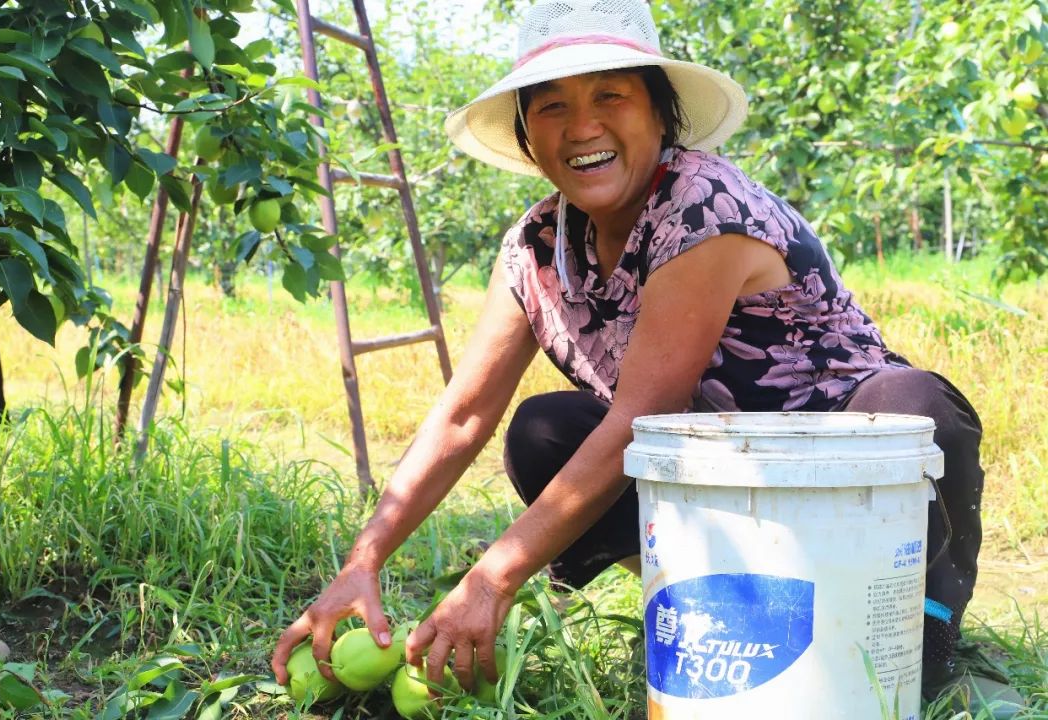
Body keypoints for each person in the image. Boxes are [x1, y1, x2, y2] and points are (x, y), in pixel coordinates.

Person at [274, 0, 1022, 714]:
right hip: (717, 488)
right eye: (553, 105)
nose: (583, 126)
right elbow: (464, 414)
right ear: (529, 135)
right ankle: (706, 605)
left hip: (845, 484)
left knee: (911, 412)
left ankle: (931, 639)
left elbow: (641, 417)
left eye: (612, 96)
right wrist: (361, 561)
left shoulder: (702, 205)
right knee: (544, 430)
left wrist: (491, 579)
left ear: (661, 114)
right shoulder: (537, 248)